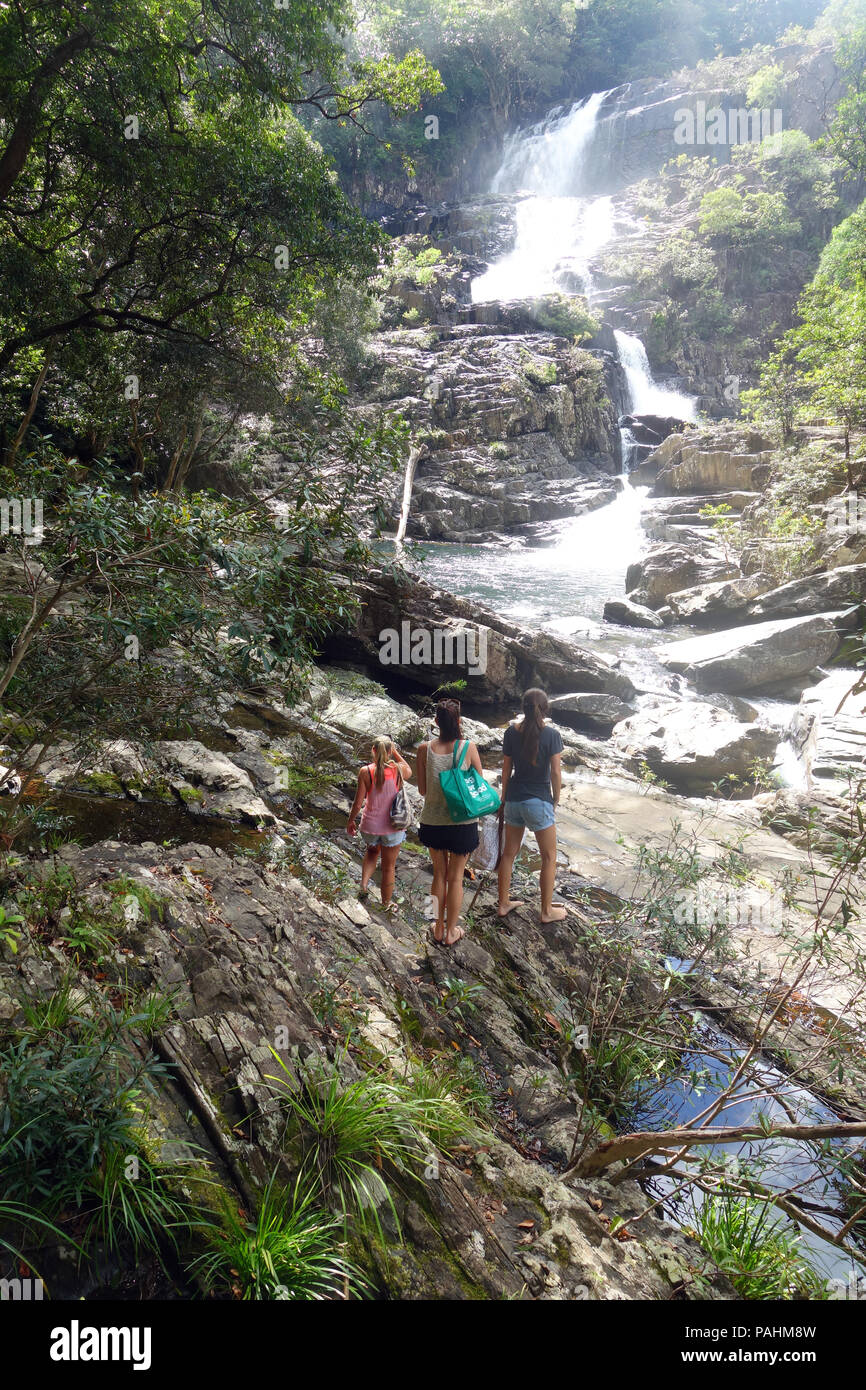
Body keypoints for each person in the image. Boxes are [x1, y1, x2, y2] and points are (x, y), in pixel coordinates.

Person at [497, 687, 567, 923]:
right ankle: (546, 911)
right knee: (549, 857)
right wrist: (555, 798)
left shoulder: (510, 733)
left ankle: (503, 903)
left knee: (509, 853)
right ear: (545, 709)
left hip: (514, 800)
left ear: (523, 708)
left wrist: (503, 799)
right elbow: (556, 773)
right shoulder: (552, 735)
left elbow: (505, 770)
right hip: (538, 800)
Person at [416, 699, 482, 947]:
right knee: (456, 878)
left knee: (438, 874)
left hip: (432, 822)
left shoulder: (424, 749)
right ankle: (451, 931)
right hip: (462, 823)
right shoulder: (469, 747)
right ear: (459, 722)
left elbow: (422, 790)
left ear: (435, 722)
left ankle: (436, 926)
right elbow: (478, 784)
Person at [346, 736, 413, 908]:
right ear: (390, 751)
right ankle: (385, 903)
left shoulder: (365, 771)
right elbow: (410, 771)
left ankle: (363, 886)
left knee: (372, 853)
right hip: (392, 827)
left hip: (370, 826)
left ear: (373, 750)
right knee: (388, 867)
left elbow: (358, 801)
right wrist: (396, 753)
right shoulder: (398, 770)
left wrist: (351, 821)